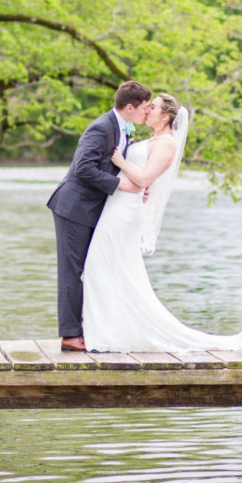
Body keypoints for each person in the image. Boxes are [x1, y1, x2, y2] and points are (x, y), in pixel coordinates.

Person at [80, 93, 242, 353]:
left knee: (101, 264)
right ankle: (109, 330)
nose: (148, 109)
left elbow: (145, 178)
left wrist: (121, 161)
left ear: (166, 116)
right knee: (107, 266)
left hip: (126, 212)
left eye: (154, 106)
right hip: (118, 206)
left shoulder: (167, 144)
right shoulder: (154, 139)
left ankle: (109, 333)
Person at [47, 81, 152, 352]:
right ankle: (70, 335)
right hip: (73, 207)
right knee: (72, 271)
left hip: (93, 209)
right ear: (129, 107)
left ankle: (92, 328)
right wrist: (120, 185)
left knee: (94, 268)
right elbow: (83, 168)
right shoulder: (101, 127)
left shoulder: (122, 127)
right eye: (144, 108)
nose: (147, 113)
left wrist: (135, 185)